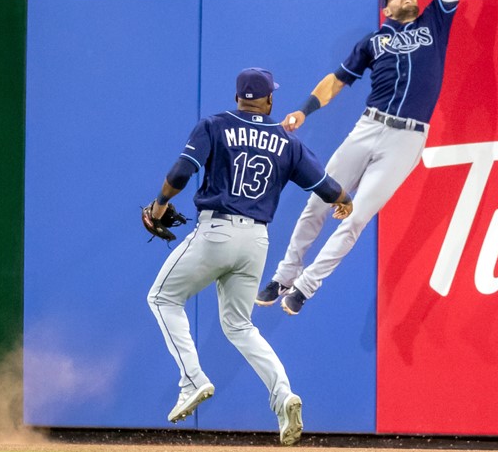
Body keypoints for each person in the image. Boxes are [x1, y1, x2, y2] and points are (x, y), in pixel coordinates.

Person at [256, 0, 498, 316]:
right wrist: (303, 109)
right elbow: (337, 81)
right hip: (368, 126)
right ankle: (284, 274)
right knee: (319, 201)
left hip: (407, 139)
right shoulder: (373, 42)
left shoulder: (435, 22)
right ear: (386, 6)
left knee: (356, 217)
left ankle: (306, 286)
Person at [145, 67, 353, 445]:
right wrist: (345, 201)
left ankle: (192, 377)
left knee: (162, 298)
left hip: (216, 230)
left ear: (238, 96)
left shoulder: (215, 124)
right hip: (256, 242)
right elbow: (326, 186)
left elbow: (181, 172)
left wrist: (160, 205)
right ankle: (283, 395)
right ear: (270, 100)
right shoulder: (287, 141)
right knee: (240, 326)